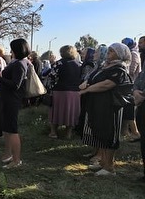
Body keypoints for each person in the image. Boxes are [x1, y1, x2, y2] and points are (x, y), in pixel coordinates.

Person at [79, 43, 132, 176]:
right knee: (101, 132)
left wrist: (87, 90)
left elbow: (107, 84)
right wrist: (88, 83)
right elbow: (94, 79)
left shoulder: (119, 68)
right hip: (98, 104)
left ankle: (109, 167)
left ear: (120, 54)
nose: (108, 53)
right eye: (108, 50)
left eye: (112, 51)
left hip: (110, 106)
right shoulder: (106, 66)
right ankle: (103, 163)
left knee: (109, 134)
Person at [0, 39, 30, 168]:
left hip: (12, 100)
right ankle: (7, 155)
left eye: (12, 48)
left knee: (12, 130)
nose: (10, 50)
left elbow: (15, 85)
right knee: (7, 129)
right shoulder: (17, 62)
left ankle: (17, 160)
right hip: (7, 99)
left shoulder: (20, 64)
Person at [46, 45, 81, 140]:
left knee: (55, 111)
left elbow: (52, 77)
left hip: (59, 91)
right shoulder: (79, 64)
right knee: (70, 112)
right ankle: (68, 133)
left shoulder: (59, 63)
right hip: (74, 92)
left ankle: (53, 132)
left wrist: (49, 89)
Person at [121, 37, 141, 141]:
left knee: (129, 109)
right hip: (129, 85)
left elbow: (131, 70)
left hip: (132, 85)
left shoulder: (133, 54)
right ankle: (125, 131)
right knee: (126, 108)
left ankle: (135, 132)